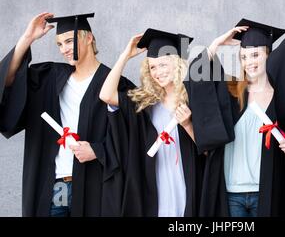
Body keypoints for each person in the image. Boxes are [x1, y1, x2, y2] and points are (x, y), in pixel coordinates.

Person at [0, 12, 131, 216]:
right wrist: (28, 38)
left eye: (69, 41)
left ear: (88, 38)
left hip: (95, 186)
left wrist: (98, 150)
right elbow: (8, 80)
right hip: (57, 186)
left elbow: (132, 138)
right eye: (59, 44)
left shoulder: (115, 84)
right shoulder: (49, 78)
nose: (64, 50)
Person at [100, 28, 214, 216]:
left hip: (186, 180)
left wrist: (187, 125)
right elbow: (106, 95)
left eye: (163, 65)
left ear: (177, 64)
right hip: (154, 181)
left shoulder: (193, 98)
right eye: (152, 67)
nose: (157, 72)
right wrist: (125, 55)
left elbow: (209, 150)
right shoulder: (145, 102)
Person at [198, 19, 285, 217]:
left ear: (269, 55)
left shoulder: (283, 96)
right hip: (232, 194)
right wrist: (216, 44)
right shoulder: (232, 92)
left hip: (268, 192)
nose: (250, 62)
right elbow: (198, 79)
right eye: (244, 57)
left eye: (255, 55)